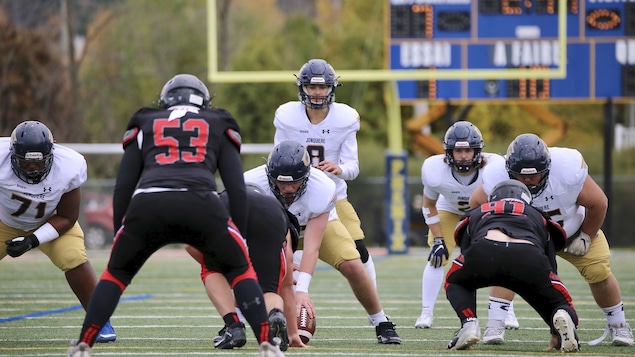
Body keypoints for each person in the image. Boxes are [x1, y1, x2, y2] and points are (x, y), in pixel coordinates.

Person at [66, 74, 284, 357]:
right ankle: (266, 344)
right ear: (203, 102)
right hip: (200, 203)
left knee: (116, 274)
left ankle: (84, 343)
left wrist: (122, 228)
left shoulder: (145, 120)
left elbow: (123, 185)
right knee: (240, 270)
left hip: (149, 203)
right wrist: (238, 234)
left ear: (165, 101)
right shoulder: (219, 121)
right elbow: (235, 187)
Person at [469, 133, 634, 347]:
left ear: (547, 168)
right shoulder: (496, 175)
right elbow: (476, 205)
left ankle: (618, 324)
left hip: (572, 230)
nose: (528, 180)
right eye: (521, 176)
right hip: (526, 237)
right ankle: (496, 323)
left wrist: (586, 235)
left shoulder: (567, 168)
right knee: (505, 264)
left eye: (534, 175)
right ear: (509, 171)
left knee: (599, 271)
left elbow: (599, 203)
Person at [244, 140, 401, 344]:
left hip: (311, 226)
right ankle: (233, 322)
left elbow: (312, 246)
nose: (288, 189)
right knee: (245, 270)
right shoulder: (251, 183)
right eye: (282, 182)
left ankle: (381, 321)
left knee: (353, 264)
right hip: (272, 229)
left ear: (307, 176)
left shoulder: (322, 187)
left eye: (294, 182)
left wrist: (302, 290)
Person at [1, 121, 116, 344]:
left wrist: (32, 240)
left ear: (51, 155)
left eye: (39, 162)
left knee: (73, 257)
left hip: (52, 221)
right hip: (4, 221)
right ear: (13, 156)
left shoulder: (69, 166)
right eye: (26, 163)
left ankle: (98, 321)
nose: (33, 168)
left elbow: (68, 217)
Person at [272, 59, 378, 289]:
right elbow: (276, 159)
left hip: (333, 196)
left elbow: (353, 168)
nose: (317, 92)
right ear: (303, 88)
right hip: (294, 197)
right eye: (312, 87)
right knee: (285, 253)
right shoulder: (287, 116)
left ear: (331, 89)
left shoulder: (345, 118)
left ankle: (375, 306)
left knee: (358, 249)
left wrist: (339, 169)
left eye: (322, 87)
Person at [446, 179, 579, 352]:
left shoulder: (478, 211)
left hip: (486, 251)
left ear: (494, 198)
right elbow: (551, 258)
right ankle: (559, 324)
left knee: (456, 281)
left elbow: (465, 246)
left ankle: (469, 323)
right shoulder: (538, 214)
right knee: (559, 303)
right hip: (529, 258)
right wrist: (549, 289)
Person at [415, 121, 518, 329]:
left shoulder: (496, 167)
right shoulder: (435, 170)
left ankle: (507, 312)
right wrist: (438, 239)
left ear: (477, 150)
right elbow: (429, 205)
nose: (463, 155)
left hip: (483, 210)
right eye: (458, 150)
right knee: (438, 256)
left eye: (468, 150)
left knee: (499, 255)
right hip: (449, 208)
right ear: (449, 151)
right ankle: (426, 312)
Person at [183, 186, 307, 351]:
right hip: (270, 217)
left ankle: (234, 327)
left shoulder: (220, 199)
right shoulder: (275, 205)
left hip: (226, 210)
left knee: (211, 269)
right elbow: (288, 265)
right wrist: (293, 333)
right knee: (268, 291)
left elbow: (189, 246)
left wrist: (223, 270)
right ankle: (275, 313)